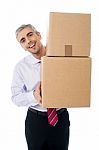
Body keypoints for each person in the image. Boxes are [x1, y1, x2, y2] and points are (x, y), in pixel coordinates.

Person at [11, 24, 70, 150]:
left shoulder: (60, 58)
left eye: (30, 34)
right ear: (23, 47)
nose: (28, 41)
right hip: (35, 121)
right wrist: (34, 96)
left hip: (60, 118)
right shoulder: (20, 68)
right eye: (23, 40)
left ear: (39, 35)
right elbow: (15, 97)